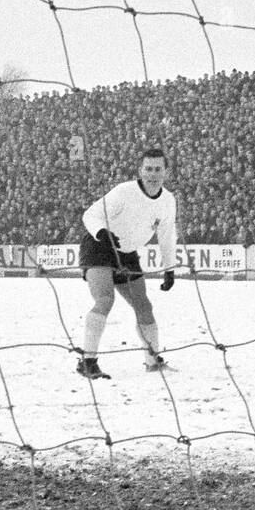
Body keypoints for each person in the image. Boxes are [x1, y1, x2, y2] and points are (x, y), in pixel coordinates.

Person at [76, 146, 177, 379]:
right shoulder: (124, 191)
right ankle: (87, 361)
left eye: (158, 169)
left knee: (144, 305)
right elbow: (90, 215)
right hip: (99, 246)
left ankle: (153, 360)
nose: (153, 174)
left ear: (166, 172)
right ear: (140, 171)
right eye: (148, 169)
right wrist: (103, 233)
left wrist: (169, 269)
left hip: (127, 253)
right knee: (105, 299)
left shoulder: (168, 200)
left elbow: (166, 236)